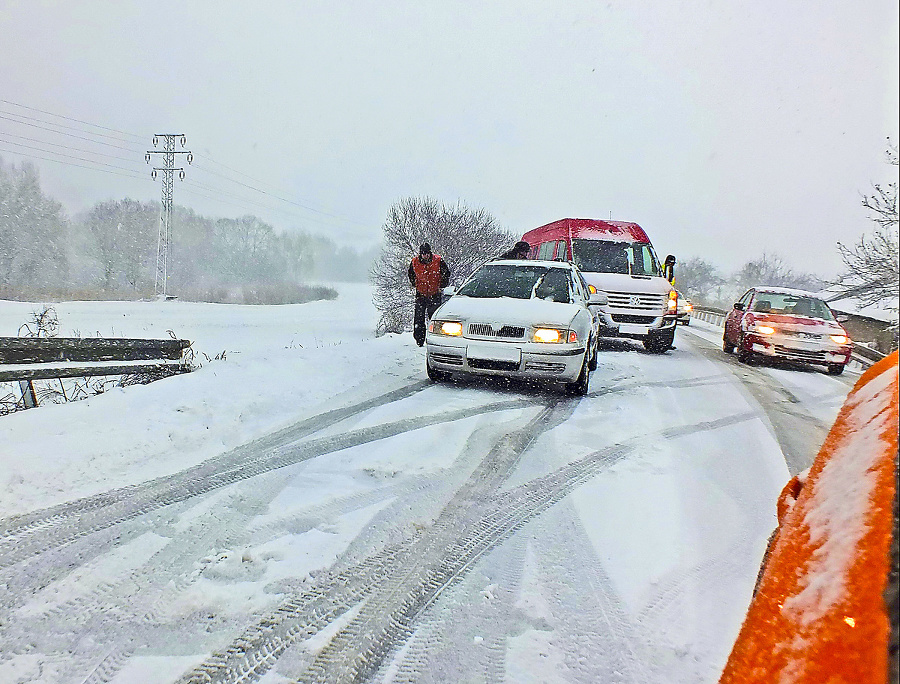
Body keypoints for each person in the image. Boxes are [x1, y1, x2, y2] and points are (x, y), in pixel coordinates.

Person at [408, 243, 451, 347]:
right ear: (420, 254)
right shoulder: (414, 262)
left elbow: (446, 273)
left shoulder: (438, 260)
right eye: (423, 254)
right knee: (419, 318)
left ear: (430, 252)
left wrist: (441, 286)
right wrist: (416, 284)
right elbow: (410, 274)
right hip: (420, 294)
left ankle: (436, 340)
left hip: (435, 293)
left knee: (434, 318)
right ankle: (419, 340)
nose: (425, 256)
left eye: (427, 253)